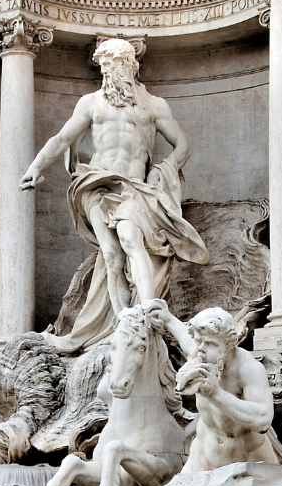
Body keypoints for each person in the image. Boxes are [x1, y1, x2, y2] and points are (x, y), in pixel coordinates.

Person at [21, 38, 208, 352]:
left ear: (128, 65)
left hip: (134, 187)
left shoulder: (153, 105)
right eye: (103, 66)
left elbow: (183, 145)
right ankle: (123, 322)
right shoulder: (91, 103)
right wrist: (36, 166)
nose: (107, 71)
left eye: (112, 64)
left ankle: (148, 312)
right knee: (110, 253)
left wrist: (161, 171)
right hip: (97, 183)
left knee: (131, 238)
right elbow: (62, 138)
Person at [149, 301, 282, 472]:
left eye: (210, 343)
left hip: (248, 462)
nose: (200, 349)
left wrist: (215, 394)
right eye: (199, 341)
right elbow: (185, 337)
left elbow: (262, 420)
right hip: (202, 458)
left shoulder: (248, 368)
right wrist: (167, 317)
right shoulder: (200, 351)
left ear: (228, 346)